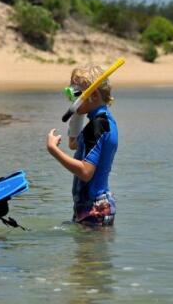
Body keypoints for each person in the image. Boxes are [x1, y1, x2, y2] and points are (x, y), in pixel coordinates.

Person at [46, 65, 119, 226]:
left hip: (94, 206)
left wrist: (53, 150)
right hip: (94, 204)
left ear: (93, 94)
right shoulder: (106, 120)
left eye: (76, 93)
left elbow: (85, 172)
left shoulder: (96, 126)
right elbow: (74, 144)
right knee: (87, 251)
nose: (71, 98)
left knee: (88, 251)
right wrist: (77, 112)